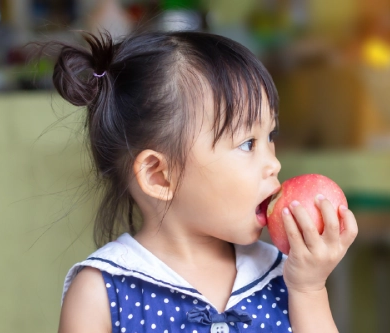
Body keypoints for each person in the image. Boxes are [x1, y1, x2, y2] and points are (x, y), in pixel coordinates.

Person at [51, 30, 358, 333]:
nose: (273, 163)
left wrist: (309, 290)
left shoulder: (287, 274)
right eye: (248, 143)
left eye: (270, 136)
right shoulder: (103, 294)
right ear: (159, 175)